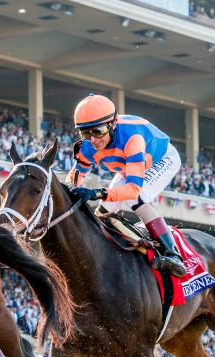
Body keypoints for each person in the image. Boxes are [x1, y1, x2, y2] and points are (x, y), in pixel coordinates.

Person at [67, 93, 187, 276]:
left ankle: (172, 254)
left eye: (98, 131)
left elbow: (133, 189)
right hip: (129, 167)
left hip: (162, 159)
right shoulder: (86, 146)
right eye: (85, 133)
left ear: (113, 124)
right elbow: (75, 178)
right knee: (102, 214)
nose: (92, 140)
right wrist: (68, 193)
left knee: (137, 199)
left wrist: (98, 193)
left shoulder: (132, 138)